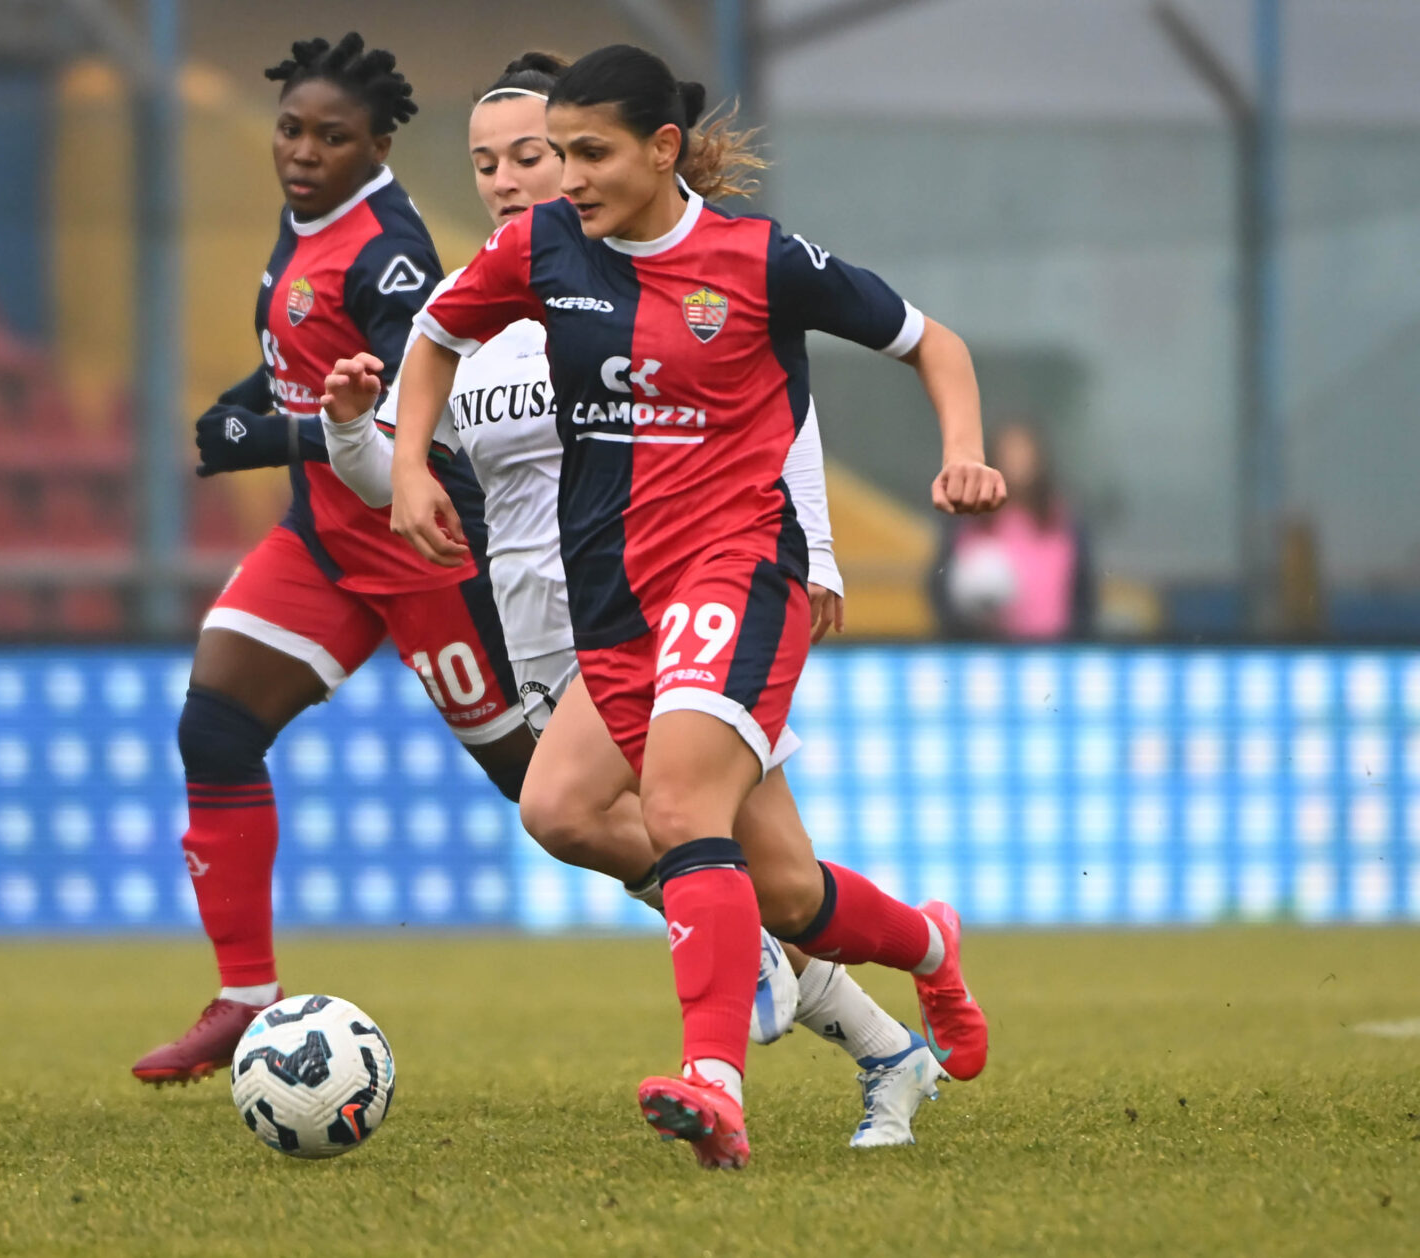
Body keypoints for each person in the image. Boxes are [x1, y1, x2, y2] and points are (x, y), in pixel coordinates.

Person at [381, 44, 1004, 1169]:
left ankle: (714, 1081)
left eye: (588, 153)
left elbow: (933, 343)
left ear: (663, 148)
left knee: (676, 806)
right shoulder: (541, 250)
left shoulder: (758, 260)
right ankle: (926, 946)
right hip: (613, 597)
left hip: (736, 571)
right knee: (753, 876)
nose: (566, 177)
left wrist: (962, 450)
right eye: (555, 153)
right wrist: (413, 464)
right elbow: (434, 335)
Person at [130, 33, 534, 1087]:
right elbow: (310, 356)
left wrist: (271, 435)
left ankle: (743, 919)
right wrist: (248, 400)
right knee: (215, 727)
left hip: (421, 547)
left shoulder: (389, 251)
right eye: (290, 130)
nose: (303, 152)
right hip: (323, 538)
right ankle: (244, 998)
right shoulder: (306, 215)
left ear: (378, 146)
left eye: (331, 137)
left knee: (548, 797)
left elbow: (403, 406)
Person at [929, 421, 1096, 640]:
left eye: (1024, 453)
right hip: (986, 646)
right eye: (1009, 454)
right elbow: (941, 587)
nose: (1017, 462)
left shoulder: (1064, 518)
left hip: (1053, 646)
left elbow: (1084, 592)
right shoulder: (968, 518)